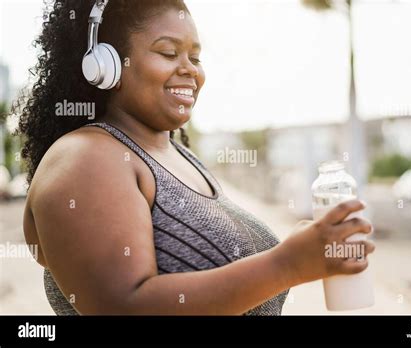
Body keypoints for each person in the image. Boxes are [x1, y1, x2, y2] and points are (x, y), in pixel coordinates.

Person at [17, 0, 375, 315]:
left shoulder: (180, 157)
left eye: (196, 57)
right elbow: (123, 307)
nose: (190, 70)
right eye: (169, 53)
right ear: (106, 64)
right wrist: (287, 264)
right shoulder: (87, 157)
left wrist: (307, 248)